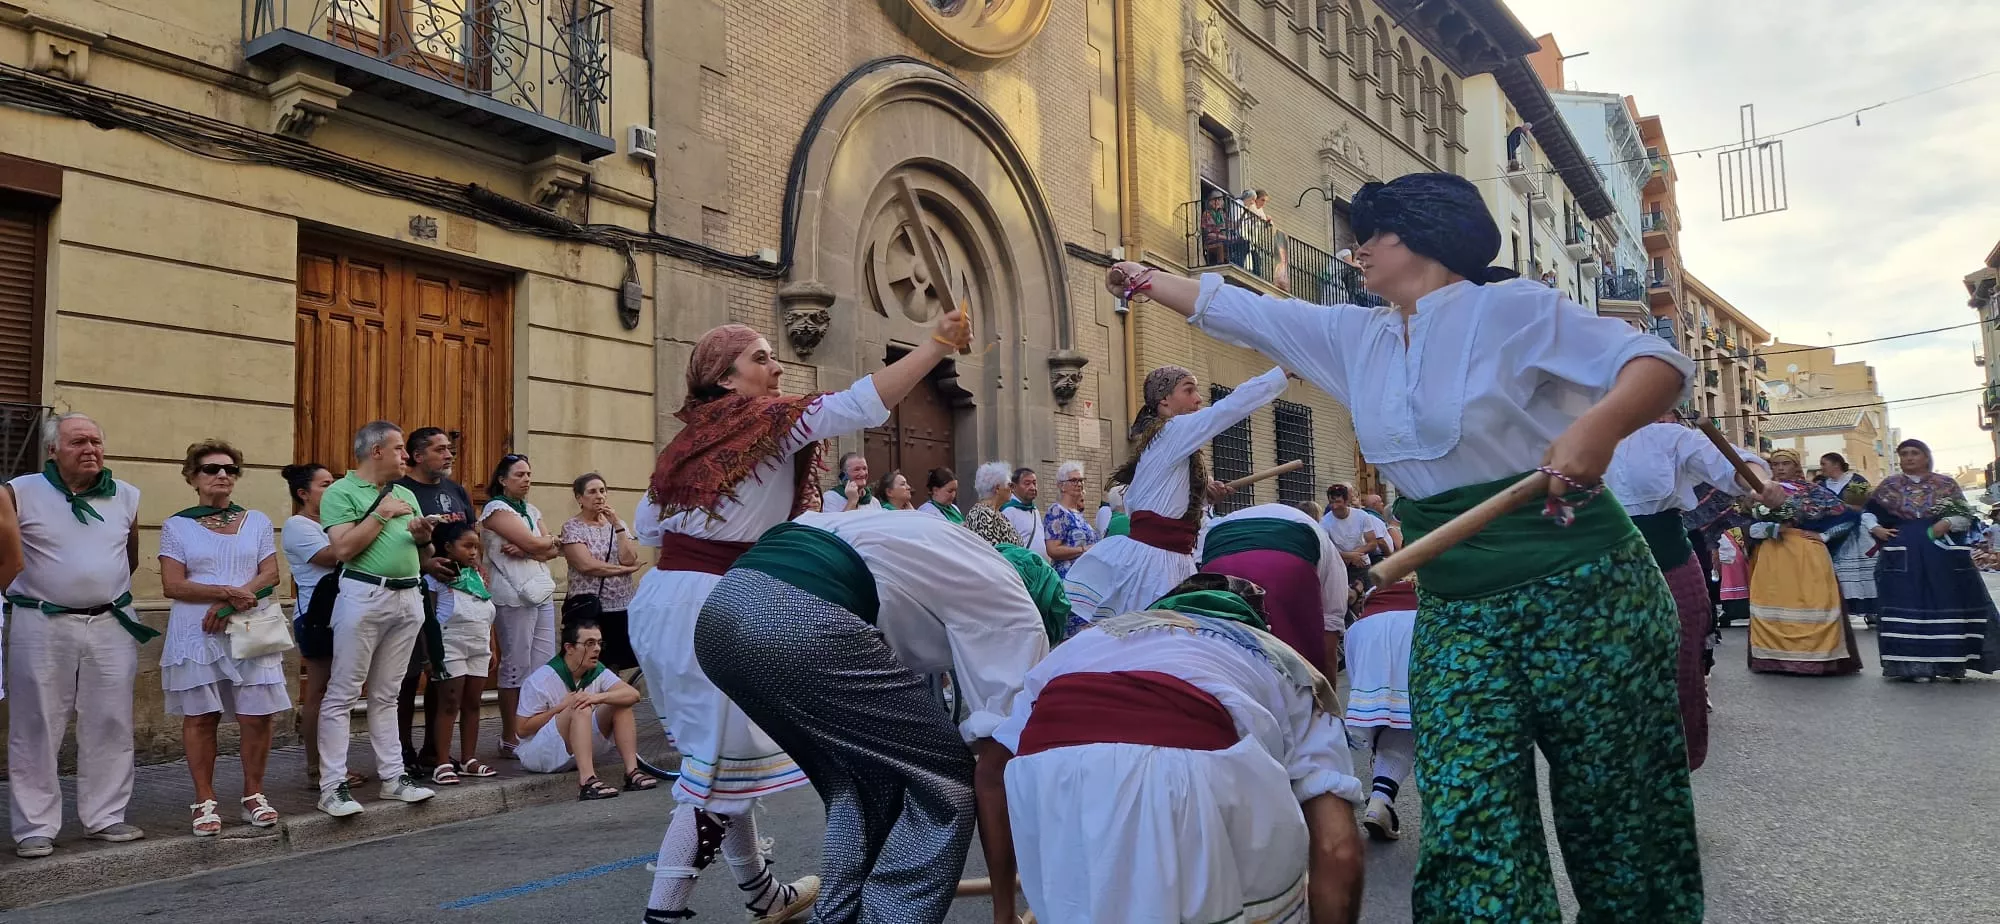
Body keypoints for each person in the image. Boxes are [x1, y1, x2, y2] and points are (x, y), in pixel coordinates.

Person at [1105, 170, 1703, 921]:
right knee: (1468, 822)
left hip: (1587, 591)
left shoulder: (1512, 308)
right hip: (1456, 609)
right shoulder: (1356, 336)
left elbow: (1657, 366)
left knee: (1621, 820)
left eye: (1367, 238)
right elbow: (1242, 312)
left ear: (1418, 236)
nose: (1355, 253)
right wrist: (1145, 278)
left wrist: (1599, 426)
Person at [632, 311, 968, 924]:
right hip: (717, 600)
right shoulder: (768, 423)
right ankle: (666, 910)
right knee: (716, 767)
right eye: (760, 358)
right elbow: (861, 403)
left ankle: (763, 894)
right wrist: (935, 347)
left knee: (718, 758)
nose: (776, 366)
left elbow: (645, 528)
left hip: (662, 601)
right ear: (726, 379)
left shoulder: (685, 444)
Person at [697, 509, 1049, 924]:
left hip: (721, 613)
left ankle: (837, 915)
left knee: (859, 783)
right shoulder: (1014, 606)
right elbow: (993, 774)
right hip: (796, 618)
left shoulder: (940, 545)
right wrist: (1004, 911)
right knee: (943, 781)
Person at [994, 574, 1366, 924]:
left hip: (1044, 774)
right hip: (1192, 770)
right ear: (1256, 626)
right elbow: (1338, 849)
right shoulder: (1285, 662)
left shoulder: (1082, 644)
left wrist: (1003, 909)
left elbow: (997, 764)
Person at [7, 413, 145, 858]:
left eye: (96, 442)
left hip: (110, 622)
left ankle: (105, 816)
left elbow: (131, 556)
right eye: (77, 442)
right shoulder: (19, 492)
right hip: (41, 622)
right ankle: (35, 825)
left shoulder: (126, 495)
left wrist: (98, 588)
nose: (90, 450)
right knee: (37, 723)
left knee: (110, 719)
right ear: (52, 450)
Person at [1604, 418, 1778, 770]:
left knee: (1678, 669)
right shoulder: (1560, 434)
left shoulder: (1667, 437)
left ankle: (1672, 777)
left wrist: (1760, 482)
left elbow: (1733, 465)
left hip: (1668, 561)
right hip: (1594, 572)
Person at [1062, 365, 1287, 624]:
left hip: (1171, 561)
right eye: (1189, 390)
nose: (1198, 399)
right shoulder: (1173, 431)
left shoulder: (1162, 441)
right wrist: (1280, 374)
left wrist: (1203, 497)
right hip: (1155, 565)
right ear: (1164, 400)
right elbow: (1229, 408)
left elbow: (1156, 499)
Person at [158, 440, 290, 835]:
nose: (221, 476)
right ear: (192, 477)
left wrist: (232, 603)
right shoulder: (176, 525)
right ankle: (204, 800)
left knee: (257, 716)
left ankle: (253, 794)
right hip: (198, 633)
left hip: (249, 627)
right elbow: (173, 584)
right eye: (211, 469)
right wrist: (225, 593)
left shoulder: (257, 521)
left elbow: (270, 574)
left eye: (230, 470)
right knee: (201, 716)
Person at [315, 420, 437, 817]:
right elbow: (344, 549)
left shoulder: (405, 493)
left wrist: (422, 537)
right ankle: (332, 787)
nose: (406, 455)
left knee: (388, 693)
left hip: (408, 596)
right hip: (365, 594)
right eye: (400, 448)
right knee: (344, 693)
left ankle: (394, 778)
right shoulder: (340, 492)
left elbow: (421, 556)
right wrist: (382, 515)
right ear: (376, 451)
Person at [1868, 439, 2000, 681]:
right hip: (1903, 554)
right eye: (1904, 453)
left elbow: (1964, 513)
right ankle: (1913, 666)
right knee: (1908, 603)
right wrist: (1876, 529)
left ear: (1926, 456)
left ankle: (1950, 663)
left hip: (1942, 553)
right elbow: (1868, 513)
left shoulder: (1946, 484)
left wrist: (1946, 524)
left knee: (1945, 600)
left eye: (1914, 453)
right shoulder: (1890, 485)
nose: (1909, 458)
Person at [1744, 451, 1861, 676]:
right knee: (1772, 600)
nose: (1779, 468)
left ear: (1796, 466)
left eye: (1785, 463)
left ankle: (1815, 658)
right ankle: (1772, 657)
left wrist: (1825, 536)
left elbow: (1848, 516)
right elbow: (1743, 520)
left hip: (1807, 553)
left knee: (1812, 599)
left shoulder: (1814, 491)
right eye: (1775, 464)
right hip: (1772, 553)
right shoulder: (1760, 492)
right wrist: (1769, 529)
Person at [394, 427, 469, 771]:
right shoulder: (399, 491)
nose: (448, 455)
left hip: (454, 594)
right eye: (440, 449)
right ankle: (402, 748)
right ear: (417, 456)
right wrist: (427, 563)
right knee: (408, 674)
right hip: (415, 589)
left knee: (443, 670)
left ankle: (433, 749)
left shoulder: (456, 490)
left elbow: (472, 534)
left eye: (449, 449)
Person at [1195, 501, 1345, 672]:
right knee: (1296, 651)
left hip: (1219, 547)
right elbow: (1329, 635)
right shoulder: (1328, 551)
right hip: (1287, 556)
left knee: (1222, 643)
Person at [515, 618, 659, 797]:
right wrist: (560, 708)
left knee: (621, 703)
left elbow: (633, 695)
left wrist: (596, 697)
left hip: (577, 747)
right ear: (569, 648)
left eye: (599, 643)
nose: (597, 649)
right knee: (580, 706)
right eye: (589, 643)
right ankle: (587, 781)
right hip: (539, 753)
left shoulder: (596, 671)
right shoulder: (541, 679)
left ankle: (632, 772)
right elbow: (521, 730)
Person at [481, 453, 561, 757]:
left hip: (539, 590)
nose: (526, 479)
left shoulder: (531, 509)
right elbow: (539, 545)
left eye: (528, 473)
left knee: (541, 664)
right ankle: (510, 735)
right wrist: (539, 544)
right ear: (502, 479)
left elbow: (552, 549)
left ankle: (533, 729)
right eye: (519, 474)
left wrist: (538, 545)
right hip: (512, 595)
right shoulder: (495, 509)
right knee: (515, 664)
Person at [281, 462, 352, 793]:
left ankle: (336, 764)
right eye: (325, 485)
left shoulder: (338, 522)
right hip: (316, 616)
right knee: (320, 692)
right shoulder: (297, 525)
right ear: (303, 493)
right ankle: (315, 767)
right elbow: (333, 556)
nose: (333, 489)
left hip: (348, 613)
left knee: (341, 693)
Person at [423, 520, 499, 784]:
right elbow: (429, 617)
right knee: (449, 702)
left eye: (477, 547)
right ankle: (442, 761)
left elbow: (486, 611)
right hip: (449, 644)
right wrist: (430, 655)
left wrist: (492, 644)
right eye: (467, 546)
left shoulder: (478, 575)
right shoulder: (435, 577)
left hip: (478, 644)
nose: (473, 553)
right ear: (448, 547)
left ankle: (469, 758)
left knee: (473, 703)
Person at [1344, 579, 1418, 842]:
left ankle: (1380, 800)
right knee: (1430, 717)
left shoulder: (1388, 574)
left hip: (1366, 629)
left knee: (1390, 718)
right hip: (1421, 622)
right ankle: (1446, 812)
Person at [560, 472, 645, 672]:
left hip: (620, 607)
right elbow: (586, 565)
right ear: (580, 498)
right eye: (592, 492)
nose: (599, 496)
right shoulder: (572, 527)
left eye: (602, 491)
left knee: (615, 664)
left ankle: (610, 702)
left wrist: (618, 526)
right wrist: (625, 570)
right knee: (586, 663)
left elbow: (629, 558)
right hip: (590, 608)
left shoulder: (617, 525)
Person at [1816, 452, 1880, 628]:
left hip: (1859, 532)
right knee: (1839, 572)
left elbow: (1871, 504)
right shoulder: (1821, 485)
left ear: (1836, 464)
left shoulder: (1856, 480)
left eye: (1824, 463)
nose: (1821, 467)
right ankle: (1842, 610)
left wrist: (1856, 508)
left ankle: (1872, 611)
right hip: (1834, 533)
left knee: (1864, 570)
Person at [1320, 484, 1382, 589]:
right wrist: (1350, 556)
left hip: (1361, 564)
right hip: (1339, 567)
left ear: (1346, 501)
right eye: (1331, 502)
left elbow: (1372, 543)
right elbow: (1326, 550)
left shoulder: (1362, 516)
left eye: (1338, 502)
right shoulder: (1324, 522)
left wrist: (1353, 555)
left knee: (1368, 598)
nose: (1334, 506)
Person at [1041, 461, 1097, 577]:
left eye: (1081, 480)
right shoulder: (1057, 511)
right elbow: (1053, 550)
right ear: (1062, 486)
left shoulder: (1077, 514)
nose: (1079, 484)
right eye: (1073, 480)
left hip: (1085, 576)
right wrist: (1083, 549)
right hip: (1068, 578)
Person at [964, 462, 1024, 547]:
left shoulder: (998, 514)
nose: (1012, 490)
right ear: (997, 488)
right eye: (1010, 485)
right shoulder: (981, 514)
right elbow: (991, 551)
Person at [1000, 467, 1052, 563]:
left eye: (1034, 483)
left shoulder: (1034, 510)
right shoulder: (1009, 511)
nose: (1033, 487)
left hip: (1040, 569)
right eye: (1027, 483)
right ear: (1014, 487)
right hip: (1023, 569)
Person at [1716, 528, 1750, 628]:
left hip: (1730, 550)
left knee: (1731, 578)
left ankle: (1730, 611)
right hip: (1732, 547)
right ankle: (1733, 610)